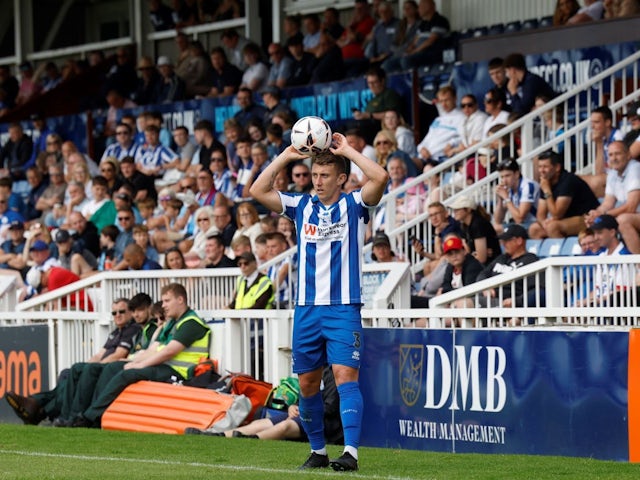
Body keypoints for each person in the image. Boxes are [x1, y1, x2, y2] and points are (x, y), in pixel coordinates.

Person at [250, 131, 388, 471]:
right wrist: (286, 155)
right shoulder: (301, 206)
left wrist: (349, 151)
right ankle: (318, 452)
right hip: (307, 309)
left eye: (325, 175)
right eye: (314, 175)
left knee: (345, 377)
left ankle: (351, 454)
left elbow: (380, 176)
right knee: (307, 383)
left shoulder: (354, 204)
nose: (318, 181)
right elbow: (257, 191)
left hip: (343, 308)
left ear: (341, 178)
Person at [72, 283, 211, 428]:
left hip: (178, 372)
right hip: (165, 366)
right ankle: (91, 414)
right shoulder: (174, 323)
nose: (163, 305)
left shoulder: (191, 323)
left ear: (180, 300)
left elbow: (169, 351)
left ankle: (90, 417)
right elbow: (154, 349)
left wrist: (139, 365)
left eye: (167, 301)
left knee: (127, 374)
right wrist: (131, 361)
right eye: (163, 301)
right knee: (113, 368)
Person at [4, 298, 140, 426]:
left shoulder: (132, 330)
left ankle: (39, 407)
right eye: (114, 312)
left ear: (130, 313)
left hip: (109, 369)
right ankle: (38, 408)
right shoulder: (115, 332)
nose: (117, 315)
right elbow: (99, 354)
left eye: (121, 312)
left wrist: (89, 367)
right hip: (100, 366)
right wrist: (87, 364)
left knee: (75, 373)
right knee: (66, 375)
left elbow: (119, 354)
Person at [528, 150, 600, 239]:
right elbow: (540, 215)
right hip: (565, 220)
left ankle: (561, 252)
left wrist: (547, 190)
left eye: (545, 167)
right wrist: (543, 223)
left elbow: (557, 214)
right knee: (534, 229)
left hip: (587, 218)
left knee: (552, 227)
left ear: (557, 167)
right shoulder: (546, 181)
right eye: (539, 167)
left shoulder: (568, 181)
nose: (541, 170)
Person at [475, 224, 543, 311]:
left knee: (463, 305)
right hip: (488, 298)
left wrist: (516, 301)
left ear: (519, 241)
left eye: (507, 240)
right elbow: (483, 274)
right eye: (503, 241)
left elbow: (536, 290)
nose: (503, 244)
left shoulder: (530, 260)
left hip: (508, 304)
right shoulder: (502, 258)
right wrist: (486, 287)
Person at [584, 141, 640, 229]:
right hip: (633, 215)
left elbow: (631, 207)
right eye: (610, 155)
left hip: (634, 214)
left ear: (628, 155)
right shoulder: (612, 173)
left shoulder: (635, 168)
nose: (614, 158)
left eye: (617, 154)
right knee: (594, 223)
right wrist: (595, 214)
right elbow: (607, 204)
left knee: (622, 220)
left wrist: (603, 215)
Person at [416, 85, 465, 163]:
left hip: (438, 160)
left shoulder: (462, 118)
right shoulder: (438, 119)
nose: (444, 104)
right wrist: (421, 148)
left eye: (447, 100)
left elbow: (464, 138)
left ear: (455, 99)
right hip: (423, 157)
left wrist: (451, 143)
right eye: (441, 101)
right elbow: (427, 138)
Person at [492, 158, 540, 234]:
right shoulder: (509, 189)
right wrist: (500, 200)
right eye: (502, 177)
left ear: (517, 174)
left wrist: (506, 198)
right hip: (522, 225)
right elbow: (498, 220)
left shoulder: (527, 186)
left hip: (534, 224)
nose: (504, 180)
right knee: (495, 228)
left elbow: (520, 218)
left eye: (507, 176)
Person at [450, 195, 501, 266]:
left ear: (468, 210)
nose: (454, 212)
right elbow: (467, 252)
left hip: (491, 263)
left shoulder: (478, 224)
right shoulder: (464, 225)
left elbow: (481, 258)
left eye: (457, 209)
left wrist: (473, 255)